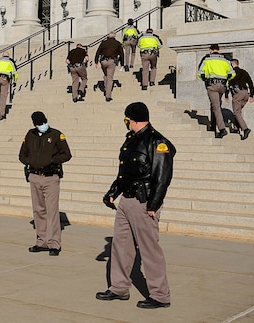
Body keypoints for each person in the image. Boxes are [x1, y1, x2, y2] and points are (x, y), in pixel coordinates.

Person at [97, 102, 175, 309]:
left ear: (131, 119)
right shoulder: (131, 140)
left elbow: (162, 176)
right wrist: (113, 193)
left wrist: (154, 204)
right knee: (120, 246)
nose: (126, 123)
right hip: (126, 201)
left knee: (149, 250)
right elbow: (125, 173)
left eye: (126, 119)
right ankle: (119, 288)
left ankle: (160, 295)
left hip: (144, 202)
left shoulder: (158, 142)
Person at [18, 111, 72, 256]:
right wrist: (32, 163)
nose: (41, 126)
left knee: (52, 211)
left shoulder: (56, 134)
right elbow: (22, 155)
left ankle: (54, 243)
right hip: (35, 176)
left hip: (51, 177)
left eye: (42, 123)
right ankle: (41, 241)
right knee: (38, 210)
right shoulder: (30, 135)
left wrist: (51, 161)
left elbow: (67, 154)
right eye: (38, 124)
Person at [198, 44, 235, 139]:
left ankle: (222, 129)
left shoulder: (206, 59)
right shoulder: (226, 59)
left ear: (210, 50)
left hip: (212, 85)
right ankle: (213, 125)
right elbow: (232, 74)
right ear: (219, 50)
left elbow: (200, 73)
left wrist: (206, 80)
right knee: (215, 105)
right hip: (222, 86)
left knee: (216, 107)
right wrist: (225, 81)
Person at [225, 59, 254, 140]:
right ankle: (236, 127)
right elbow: (250, 83)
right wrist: (252, 95)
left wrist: (226, 95)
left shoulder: (232, 73)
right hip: (245, 94)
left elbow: (228, 85)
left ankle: (245, 129)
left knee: (236, 112)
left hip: (238, 94)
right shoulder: (244, 72)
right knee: (238, 111)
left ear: (232, 64)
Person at [94, 32, 124, 102]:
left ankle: (106, 88)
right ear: (115, 36)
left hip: (103, 61)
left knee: (105, 75)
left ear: (108, 36)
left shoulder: (103, 43)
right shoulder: (118, 43)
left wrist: (96, 61)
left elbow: (98, 52)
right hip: (112, 61)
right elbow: (122, 54)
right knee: (110, 78)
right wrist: (122, 64)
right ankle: (108, 95)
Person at [0, 51, 18, 120]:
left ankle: (0, 102)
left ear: (2, 56)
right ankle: (2, 114)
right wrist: (15, 81)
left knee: (0, 93)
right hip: (5, 79)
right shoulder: (10, 62)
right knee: (4, 96)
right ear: (8, 56)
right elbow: (15, 72)